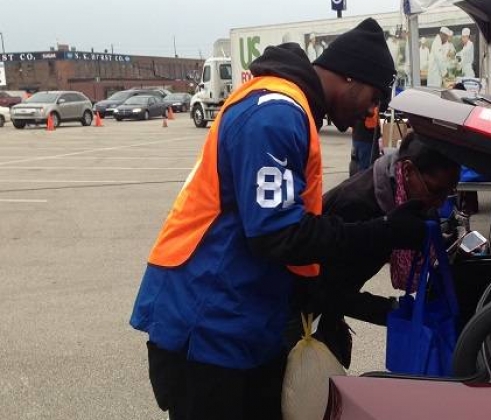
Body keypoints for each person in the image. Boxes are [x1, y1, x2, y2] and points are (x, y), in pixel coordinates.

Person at [129, 18, 430, 420]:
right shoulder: (275, 115)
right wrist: (383, 233)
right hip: (206, 322)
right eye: (373, 97)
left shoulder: (292, 110)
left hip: (242, 317)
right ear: (351, 79)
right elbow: (279, 234)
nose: (372, 110)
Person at [307, 132, 460, 365]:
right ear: (407, 171)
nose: (440, 203)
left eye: (449, 193)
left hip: (328, 303)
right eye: (436, 191)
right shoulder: (357, 205)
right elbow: (323, 290)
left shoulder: (406, 195)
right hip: (300, 310)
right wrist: (391, 310)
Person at [349, 105, 381, 176]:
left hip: (357, 137)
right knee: (364, 168)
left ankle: (356, 181)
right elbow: (373, 123)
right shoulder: (369, 105)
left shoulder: (357, 103)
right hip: (366, 139)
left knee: (357, 163)